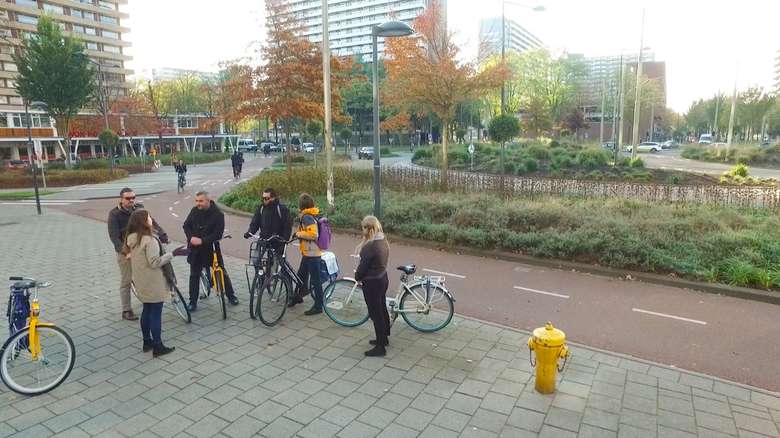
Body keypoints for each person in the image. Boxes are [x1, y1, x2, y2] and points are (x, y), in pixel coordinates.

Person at [107, 187, 167, 321]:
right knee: (126, 281)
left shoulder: (139, 208)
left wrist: (162, 233)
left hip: (143, 248)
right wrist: (125, 252)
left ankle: (150, 299)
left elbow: (152, 221)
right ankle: (126, 310)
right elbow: (114, 237)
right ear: (121, 199)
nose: (131, 200)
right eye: (128, 198)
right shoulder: (114, 214)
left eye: (133, 197)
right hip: (126, 251)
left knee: (148, 274)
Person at [124, 210, 175, 357]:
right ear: (144, 222)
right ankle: (158, 346)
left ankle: (147, 342)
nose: (151, 219)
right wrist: (172, 255)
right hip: (154, 281)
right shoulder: (149, 240)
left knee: (146, 310)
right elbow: (155, 262)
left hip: (141, 280)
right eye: (149, 218)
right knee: (155, 313)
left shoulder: (132, 239)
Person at [183, 191, 239, 311]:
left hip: (211, 249)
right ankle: (192, 302)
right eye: (196, 201)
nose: (198, 204)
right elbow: (186, 225)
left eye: (201, 201)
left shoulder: (218, 214)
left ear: (208, 201)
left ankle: (231, 296)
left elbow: (218, 234)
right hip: (196, 250)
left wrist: (202, 241)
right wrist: (191, 237)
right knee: (194, 275)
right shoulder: (194, 211)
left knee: (221, 272)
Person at [354, 216, 391, 357]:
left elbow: (362, 268)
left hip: (372, 283)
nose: (362, 230)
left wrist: (357, 277)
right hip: (382, 278)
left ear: (369, 229)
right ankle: (384, 338)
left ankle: (380, 347)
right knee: (382, 308)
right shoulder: (383, 240)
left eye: (363, 227)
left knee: (376, 314)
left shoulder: (370, 247)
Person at [292, 193, 324, 315]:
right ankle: (297, 297)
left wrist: (298, 234)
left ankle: (318, 306)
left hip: (313, 253)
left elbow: (314, 234)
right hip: (309, 252)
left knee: (316, 280)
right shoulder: (310, 215)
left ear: (301, 205)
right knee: (301, 276)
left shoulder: (307, 217)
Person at [243, 187, 292, 256]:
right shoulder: (261, 208)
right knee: (255, 260)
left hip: (277, 241)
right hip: (264, 239)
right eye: (263, 198)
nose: (264, 200)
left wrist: (284, 240)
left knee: (275, 263)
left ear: (273, 198)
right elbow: (255, 222)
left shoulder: (281, 209)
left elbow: (287, 227)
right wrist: (250, 232)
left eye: (266, 198)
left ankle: (281, 266)